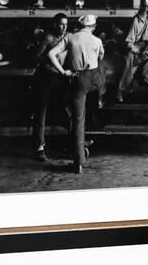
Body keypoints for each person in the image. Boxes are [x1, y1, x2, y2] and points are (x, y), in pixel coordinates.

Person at [48, 14, 106, 174]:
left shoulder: (71, 38)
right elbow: (101, 57)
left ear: (80, 26)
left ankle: (78, 162)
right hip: (93, 80)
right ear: (93, 27)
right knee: (101, 75)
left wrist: (63, 72)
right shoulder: (97, 40)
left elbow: (51, 54)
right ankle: (101, 97)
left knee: (78, 120)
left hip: (77, 80)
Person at [32, 13, 70, 162]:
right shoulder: (48, 38)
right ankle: (39, 148)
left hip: (60, 79)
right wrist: (49, 61)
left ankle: (75, 141)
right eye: (61, 24)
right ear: (55, 24)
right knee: (41, 113)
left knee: (67, 109)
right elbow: (35, 56)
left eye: (66, 24)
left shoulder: (68, 36)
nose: (63, 27)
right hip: (45, 78)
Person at [116, 0, 148, 102]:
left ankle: (147, 78)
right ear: (146, 8)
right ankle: (122, 89)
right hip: (135, 46)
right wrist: (139, 51)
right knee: (129, 59)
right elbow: (129, 43)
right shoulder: (135, 21)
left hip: (145, 46)